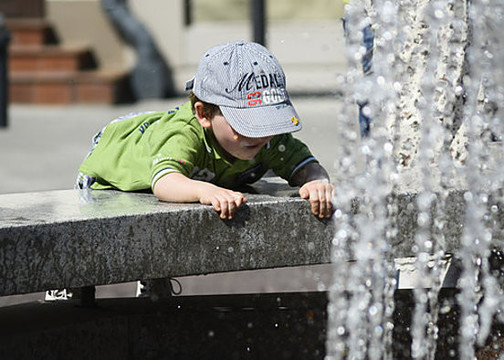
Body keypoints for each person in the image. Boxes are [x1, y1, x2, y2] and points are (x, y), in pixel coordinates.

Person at [45, 40, 335, 301]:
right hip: (112, 170)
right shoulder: (184, 134)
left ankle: (152, 280)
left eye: (267, 122)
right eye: (246, 123)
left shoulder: (266, 139)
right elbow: (165, 184)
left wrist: (316, 181)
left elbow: (304, 165)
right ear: (203, 114)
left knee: (156, 228)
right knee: (95, 248)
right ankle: (65, 281)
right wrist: (204, 190)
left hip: (169, 176)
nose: (258, 137)